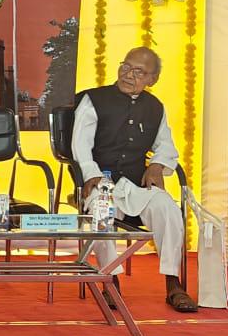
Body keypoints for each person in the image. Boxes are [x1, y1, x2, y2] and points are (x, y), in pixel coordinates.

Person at [71, 46, 197, 313]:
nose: (129, 74)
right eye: (126, 66)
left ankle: (173, 284)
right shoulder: (93, 99)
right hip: (102, 184)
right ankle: (110, 281)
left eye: (139, 72)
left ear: (152, 79)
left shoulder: (155, 107)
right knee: (102, 212)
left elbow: (166, 145)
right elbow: (80, 143)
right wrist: (91, 173)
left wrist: (157, 165)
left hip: (137, 186)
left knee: (167, 208)